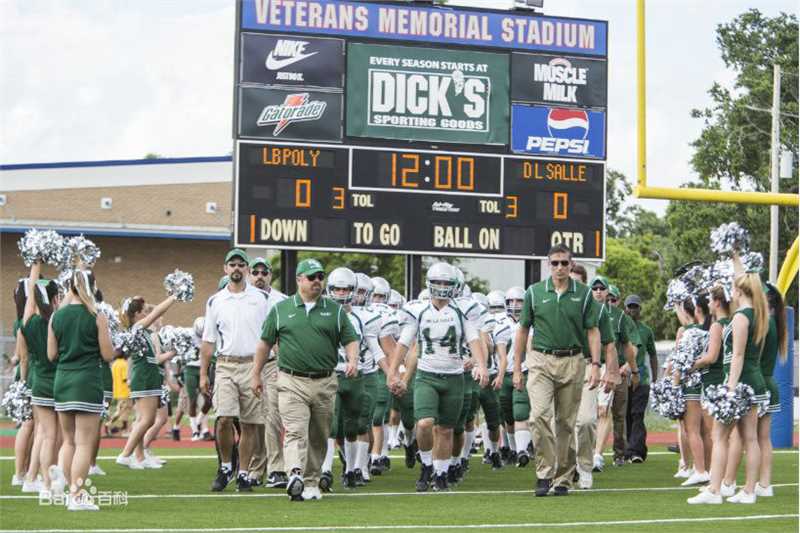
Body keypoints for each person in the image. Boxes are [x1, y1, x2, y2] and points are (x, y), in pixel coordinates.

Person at [252, 258, 360, 502]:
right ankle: (295, 474)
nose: (317, 282)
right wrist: (255, 373)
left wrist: (353, 360)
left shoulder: (335, 310)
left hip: (324, 380)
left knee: (320, 434)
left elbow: (350, 338)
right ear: (299, 279)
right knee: (295, 430)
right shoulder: (280, 309)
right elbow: (265, 343)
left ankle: (312, 480)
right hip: (291, 380)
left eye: (320, 277)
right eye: (312, 277)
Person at [511, 244, 608, 497]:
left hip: (573, 360)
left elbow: (593, 331)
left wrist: (596, 365)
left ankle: (563, 477)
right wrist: (516, 368)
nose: (560, 268)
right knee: (539, 416)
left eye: (564, 263)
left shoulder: (585, 294)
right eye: (555, 263)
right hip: (541, 360)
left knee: (566, 422)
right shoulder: (534, 292)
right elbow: (522, 330)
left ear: (571, 263)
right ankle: (544, 472)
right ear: (548, 265)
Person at [386, 263, 489, 493]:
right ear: (430, 283)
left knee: (446, 429)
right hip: (427, 375)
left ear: (454, 286)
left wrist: (481, 365)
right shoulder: (418, 310)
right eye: (438, 282)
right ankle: (426, 464)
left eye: (446, 283)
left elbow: (474, 340)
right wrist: (393, 371)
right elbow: (404, 343)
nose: (442, 287)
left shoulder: (462, 311)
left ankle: (441, 475)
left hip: (454, 377)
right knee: (424, 424)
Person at [688, 270, 769, 505]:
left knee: (720, 435)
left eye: (733, 289)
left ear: (740, 291)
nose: (730, 292)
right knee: (750, 438)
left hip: (740, 382)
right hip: (754, 381)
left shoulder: (741, 317)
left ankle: (714, 490)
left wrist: (730, 389)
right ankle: (749, 491)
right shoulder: (758, 315)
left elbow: (738, 355)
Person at [200, 249, 272, 492]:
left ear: (247, 270)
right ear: (225, 268)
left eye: (242, 264)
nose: (237, 269)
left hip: (253, 364)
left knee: (251, 423)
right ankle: (226, 466)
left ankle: (244, 473)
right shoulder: (215, 300)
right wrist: (202, 374)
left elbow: (272, 336)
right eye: (233, 264)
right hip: (226, 365)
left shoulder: (261, 298)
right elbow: (208, 341)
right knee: (224, 419)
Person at [48, 270, 115, 511]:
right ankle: (77, 496)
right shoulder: (98, 316)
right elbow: (108, 355)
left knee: (68, 441)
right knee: (84, 444)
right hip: (87, 382)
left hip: (62, 382)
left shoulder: (56, 317)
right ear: (92, 286)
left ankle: (71, 493)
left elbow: (51, 355)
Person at [116, 295, 180, 470]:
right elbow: (158, 310)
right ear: (136, 314)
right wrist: (174, 296)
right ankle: (125, 454)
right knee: (148, 419)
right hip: (144, 376)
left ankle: (140, 456)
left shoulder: (141, 330)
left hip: (147, 375)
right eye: (144, 312)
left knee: (143, 419)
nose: (147, 314)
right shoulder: (137, 327)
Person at [246, 257, 289, 489]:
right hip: (245, 363)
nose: (260, 275)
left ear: (270, 275)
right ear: (249, 274)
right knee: (251, 419)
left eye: (264, 272)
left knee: (273, 415)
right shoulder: (239, 299)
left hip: (273, 363)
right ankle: (252, 468)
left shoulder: (281, 300)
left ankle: (276, 469)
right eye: (256, 272)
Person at [569, 272, 615, 489]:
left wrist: (609, 371)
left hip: (588, 365)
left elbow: (609, 343)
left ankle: (585, 466)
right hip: (559, 364)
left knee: (587, 419)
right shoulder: (554, 303)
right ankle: (564, 468)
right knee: (558, 421)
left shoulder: (598, 310)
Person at [20, 263, 62, 497]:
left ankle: (43, 483)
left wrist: (36, 266)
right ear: (56, 298)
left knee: (45, 436)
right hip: (60, 384)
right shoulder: (59, 321)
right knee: (61, 438)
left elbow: (29, 303)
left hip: (39, 384)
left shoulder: (29, 323)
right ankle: (53, 481)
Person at [601, 285, 641, 467]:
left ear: (618, 301)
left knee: (618, 414)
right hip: (598, 368)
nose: (610, 302)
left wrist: (627, 366)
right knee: (597, 413)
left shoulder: (623, 319)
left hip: (619, 371)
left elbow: (633, 345)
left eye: (613, 299)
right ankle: (593, 452)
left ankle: (619, 453)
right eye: (607, 298)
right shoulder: (592, 313)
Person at [624, 294, 657, 463]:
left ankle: (634, 451)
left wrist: (655, 378)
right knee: (626, 416)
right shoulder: (620, 328)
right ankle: (636, 449)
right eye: (629, 306)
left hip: (642, 379)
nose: (632, 310)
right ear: (625, 308)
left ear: (639, 309)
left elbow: (653, 355)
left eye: (635, 307)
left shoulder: (646, 331)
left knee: (637, 415)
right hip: (624, 378)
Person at [107, 352, 131, 436]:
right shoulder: (124, 364)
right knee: (123, 412)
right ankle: (110, 425)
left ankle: (123, 429)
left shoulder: (114, 364)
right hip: (125, 391)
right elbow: (125, 379)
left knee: (122, 411)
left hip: (117, 391)